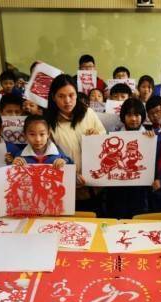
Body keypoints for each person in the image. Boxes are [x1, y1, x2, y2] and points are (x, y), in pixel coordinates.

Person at [45, 74, 106, 211]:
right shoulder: (48, 122)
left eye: (71, 95)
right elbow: (49, 156)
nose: (67, 101)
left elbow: (104, 141)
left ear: (77, 95)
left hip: (94, 185)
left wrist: (97, 136)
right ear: (54, 97)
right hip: (65, 187)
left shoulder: (88, 113)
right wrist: (70, 174)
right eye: (61, 96)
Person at [104, 99, 155, 219]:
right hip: (116, 188)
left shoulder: (149, 135)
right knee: (116, 216)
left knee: (137, 218)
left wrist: (151, 139)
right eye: (129, 115)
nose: (133, 119)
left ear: (142, 116)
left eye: (137, 115)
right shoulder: (113, 136)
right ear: (123, 116)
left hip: (139, 189)